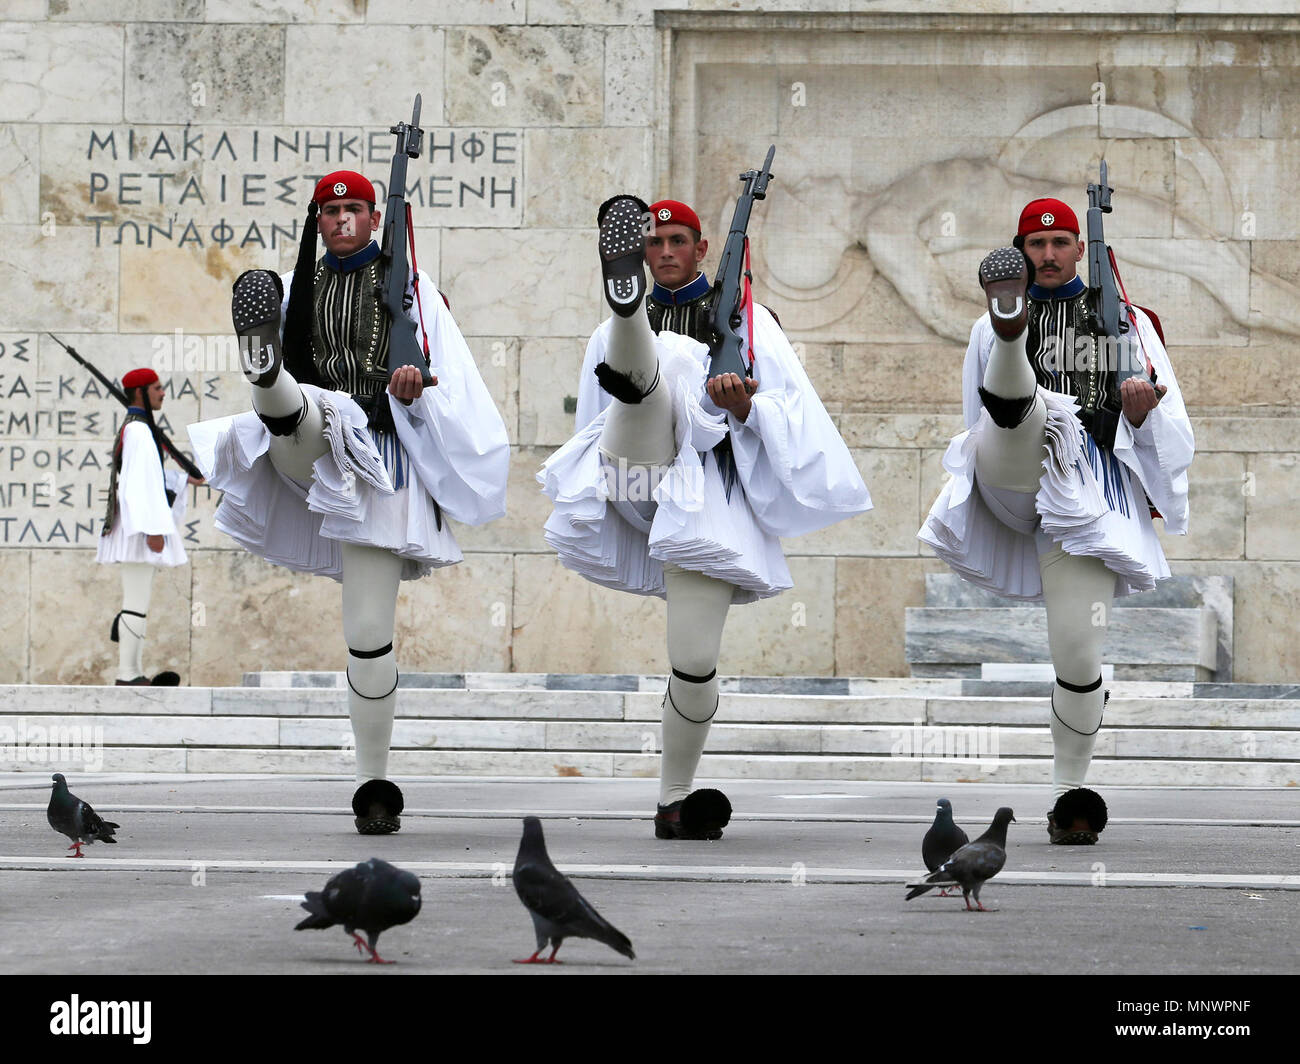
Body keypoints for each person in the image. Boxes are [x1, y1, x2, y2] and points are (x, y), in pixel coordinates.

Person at [188, 170, 510, 834]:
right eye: (329, 211)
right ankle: (266, 373)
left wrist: (417, 387)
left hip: (376, 459)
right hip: (310, 441)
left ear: (373, 218)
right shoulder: (297, 291)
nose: (340, 221)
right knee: (301, 408)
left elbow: (461, 393)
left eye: (353, 210)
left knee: (366, 632)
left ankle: (373, 784)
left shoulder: (416, 296)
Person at [541, 195, 872, 840]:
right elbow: (590, 425)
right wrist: (594, 499)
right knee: (640, 379)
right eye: (653, 240)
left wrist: (746, 409)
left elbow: (795, 410)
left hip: (708, 492)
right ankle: (632, 321)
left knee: (692, 659)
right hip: (637, 474)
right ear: (639, 254)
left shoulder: (749, 324)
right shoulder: (600, 339)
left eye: (678, 240)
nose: (665, 249)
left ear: (700, 249)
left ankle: (674, 799)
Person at [919, 198, 1195, 844]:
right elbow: (973, 420)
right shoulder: (982, 329)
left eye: (1061, 244)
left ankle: (1066, 796)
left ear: (1080, 251)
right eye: (1035, 247)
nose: (1048, 256)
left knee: (1076, 653)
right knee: (1018, 410)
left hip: (1087, 496)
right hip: (1019, 468)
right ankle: (1020, 347)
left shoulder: (1128, 324)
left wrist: (1137, 413)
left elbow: (1176, 428)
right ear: (1019, 255)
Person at [97, 367, 202, 685]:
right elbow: (138, 486)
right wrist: (153, 530)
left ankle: (131, 671)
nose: (163, 393)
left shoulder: (138, 428)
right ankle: (128, 675)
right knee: (136, 602)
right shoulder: (140, 432)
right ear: (140, 392)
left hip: (138, 527)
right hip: (141, 530)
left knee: (136, 600)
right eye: (157, 388)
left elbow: (151, 480)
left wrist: (185, 477)